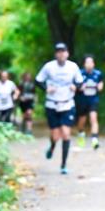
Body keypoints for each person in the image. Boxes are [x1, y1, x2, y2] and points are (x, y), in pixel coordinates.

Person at [35, 42, 84, 174]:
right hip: (52, 104)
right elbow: (38, 80)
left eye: (63, 51)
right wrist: (46, 88)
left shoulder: (73, 67)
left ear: (67, 53)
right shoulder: (49, 67)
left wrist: (76, 87)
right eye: (58, 52)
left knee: (66, 134)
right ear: (56, 54)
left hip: (67, 103)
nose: (61, 54)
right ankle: (52, 147)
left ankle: (63, 165)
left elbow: (80, 81)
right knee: (55, 135)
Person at [75, 55, 104, 150]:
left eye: (91, 62)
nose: (89, 64)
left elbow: (101, 86)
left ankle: (95, 140)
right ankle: (81, 136)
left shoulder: (98, 74)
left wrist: (99, 87)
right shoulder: (79, 73)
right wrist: (79, 87)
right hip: (82, 100)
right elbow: (75, 86)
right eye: (87, 62)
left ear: (94, 64)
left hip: (93, 100)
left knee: (93, 118)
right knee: (81, 121)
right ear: (84, 64)